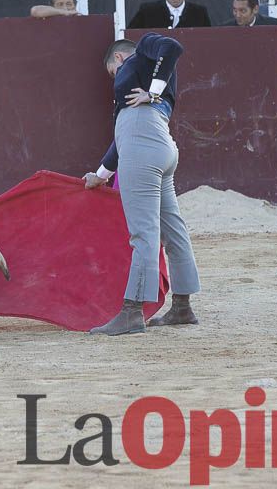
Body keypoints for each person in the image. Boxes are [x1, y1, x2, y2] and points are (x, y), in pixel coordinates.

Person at [82, 34, 201, 335]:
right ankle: (183, 307)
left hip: (143, 145)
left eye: (113, 72)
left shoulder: (141, 53)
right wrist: (101, 175)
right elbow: (123, 138)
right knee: (172, 229)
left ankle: (132, 311)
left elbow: (173, 47)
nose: (116, 78)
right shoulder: (147, 76)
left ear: (119, 59)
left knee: (144, 233)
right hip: (160, 147)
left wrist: (153, 92)